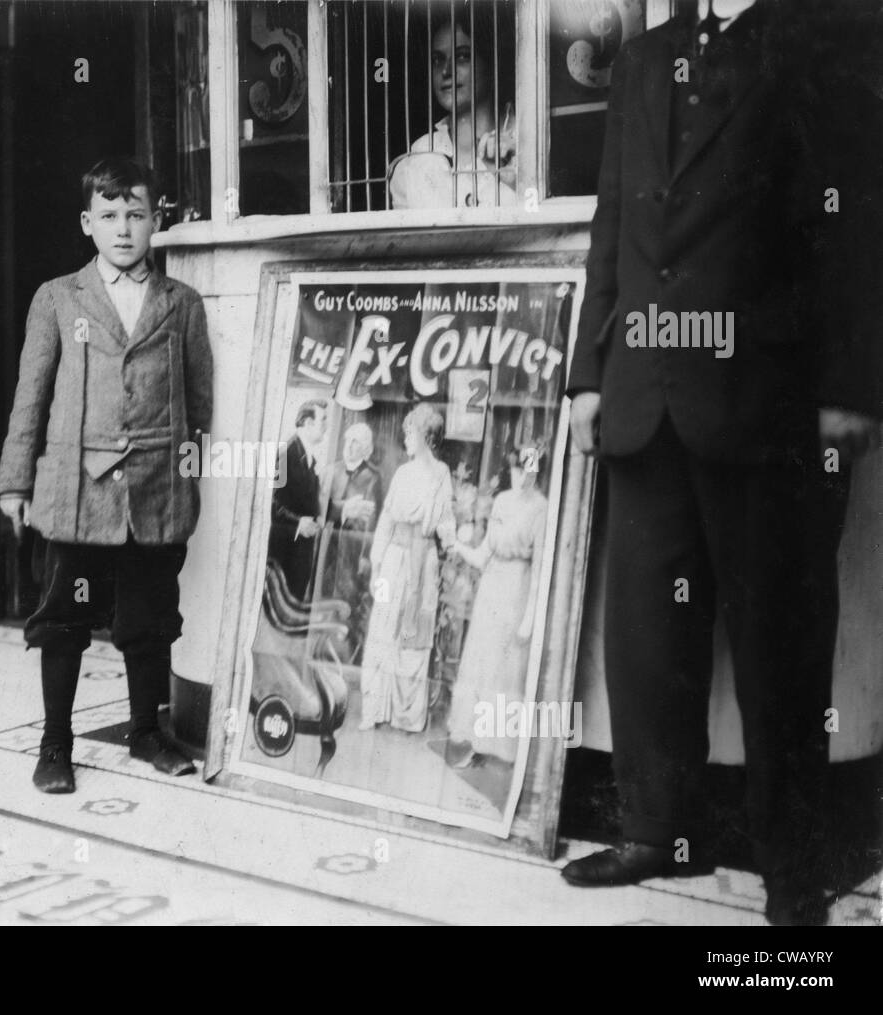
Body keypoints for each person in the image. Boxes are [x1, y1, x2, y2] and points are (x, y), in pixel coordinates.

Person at [559, 0, 882, 925]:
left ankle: (794, 872)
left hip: (768, 404)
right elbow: (611, 221)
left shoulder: (826, 40)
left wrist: (853, 388)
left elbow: (858, 226)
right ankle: (656, 828)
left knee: (782, 644)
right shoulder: (643, 60)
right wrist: (588, 376)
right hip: (642, 397)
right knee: (645, 634)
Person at [0, 157, 213, 794]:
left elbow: (199, 403)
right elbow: (30, 397)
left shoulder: (182, 305)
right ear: (88, 222)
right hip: (74, 490)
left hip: (154, 489)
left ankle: (147, 732)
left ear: (156, 221)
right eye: (110, 216)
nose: (124, 229)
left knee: (149, 620)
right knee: (63, 617)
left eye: (137, 215)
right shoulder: (59, 298)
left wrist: (188, 477)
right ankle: (55, 744)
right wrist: (15, 482)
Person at [442, 447, 548, 767]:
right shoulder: (501, 502)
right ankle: (473, 742)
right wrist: (458, 546)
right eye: (517, 471)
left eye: (528, 471)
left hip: (516, 588)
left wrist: (529, 618)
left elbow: (540, 568)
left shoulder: (542, 509)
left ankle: (498, 748)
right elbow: (484, 552)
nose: (522, 478)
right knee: (481, 663)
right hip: (491, 586)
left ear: (537, 473)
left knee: (504, 670)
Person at [359, 404, 454, 733]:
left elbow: (445, 523)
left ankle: (407, 716)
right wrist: (376, 564)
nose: (405, 438)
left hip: (422, 562)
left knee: (415, 636)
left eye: (410, 432)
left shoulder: (441, 473)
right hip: (394, 561)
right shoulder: (401, 473)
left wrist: (454, 539)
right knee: (382, 627)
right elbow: (386, 519)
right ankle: (374, 710)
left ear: (427, 436)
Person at [390, 8, 517, 209]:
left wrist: (515, 181)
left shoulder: (527, 142)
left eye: (462, 57)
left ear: (492, 61)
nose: (446, 71)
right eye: (437, 60)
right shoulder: (416, 159)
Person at [319, 422, 385, 658]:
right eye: (348, 440)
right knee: (322, 600)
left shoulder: (372, 477)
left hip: (352, 553)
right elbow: (320, 509)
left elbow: (372, 520)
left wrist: (366, 556)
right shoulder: (330, 471)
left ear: (366, 448)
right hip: (327, 551)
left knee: (347, 603)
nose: (349, 446)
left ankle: (343, 654)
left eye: (356, 442)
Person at [269, 399, 328, 601]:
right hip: (284, 553)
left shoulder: (309, 458)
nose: (326, 426)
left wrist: (319, 516)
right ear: (308, 423)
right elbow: (271, 503)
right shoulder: (287, 453)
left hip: (299, 552)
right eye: (323, 420)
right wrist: (297, 523)